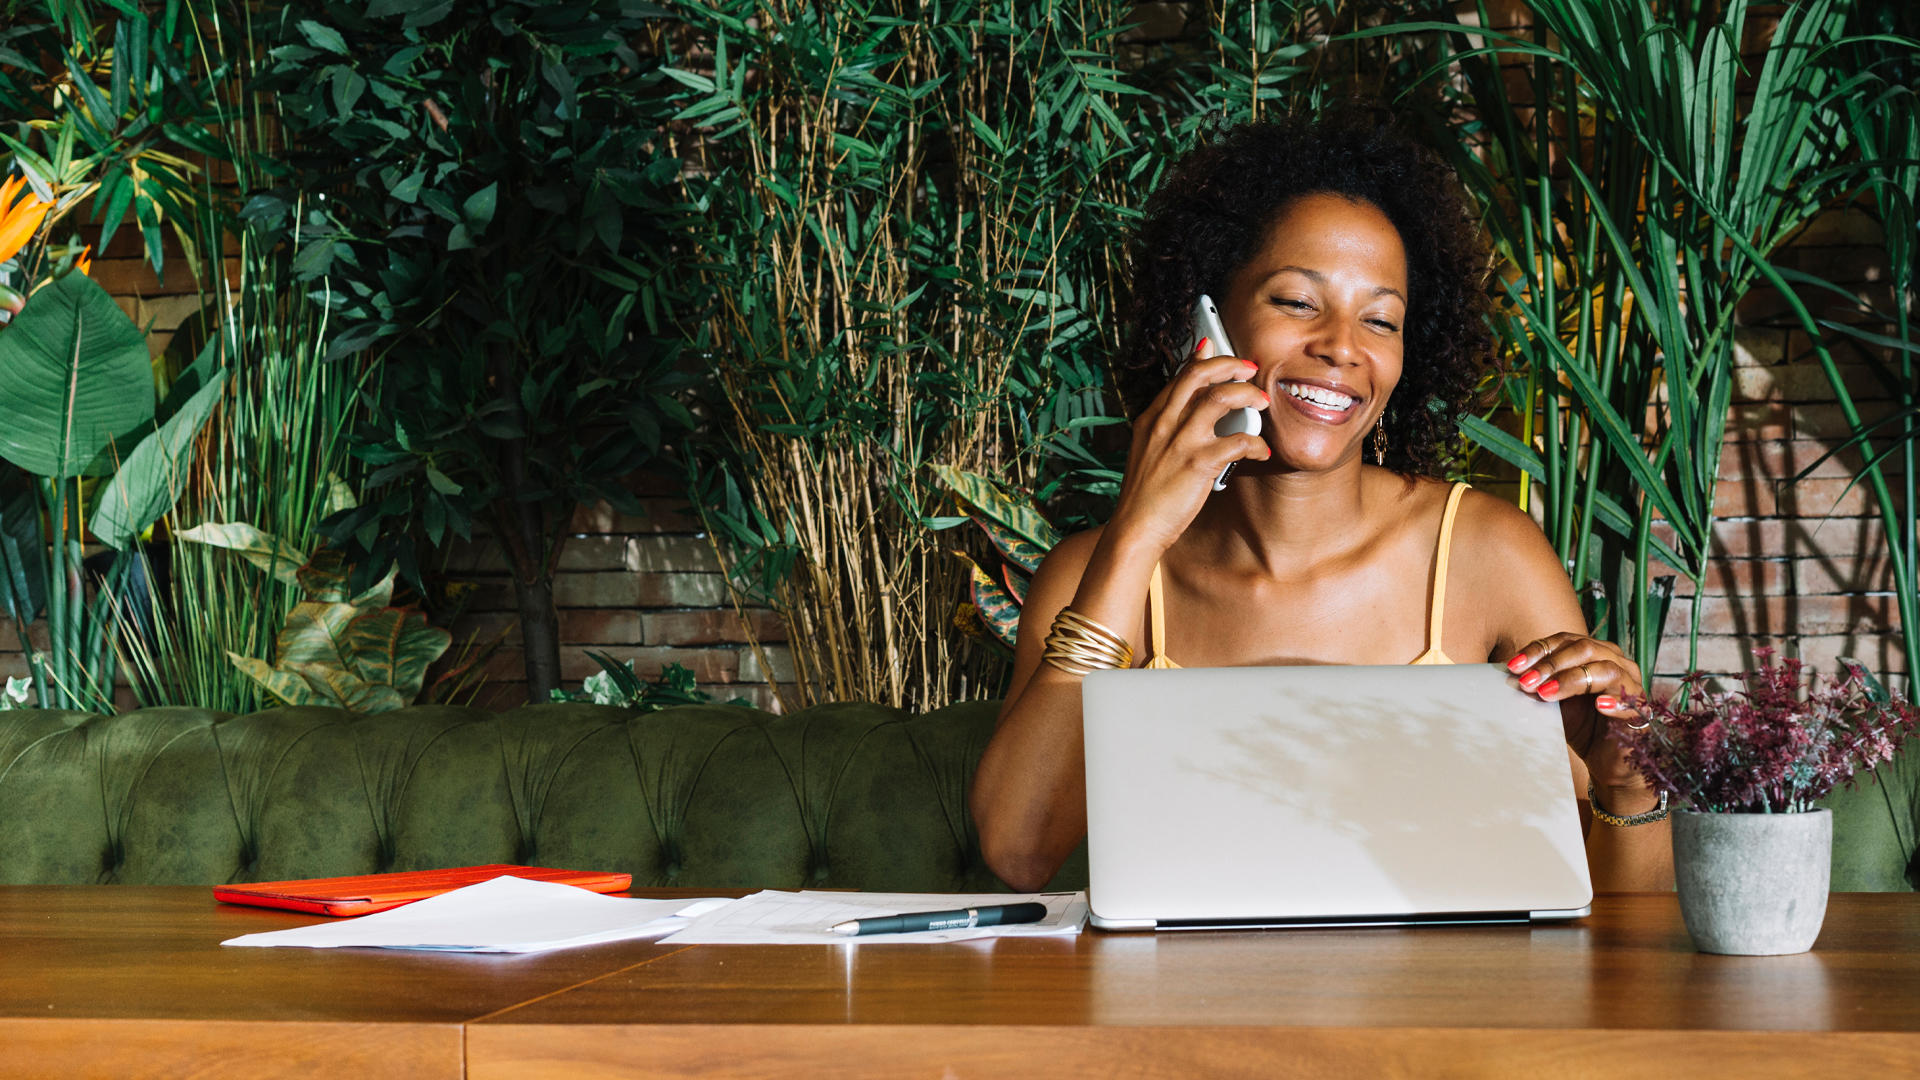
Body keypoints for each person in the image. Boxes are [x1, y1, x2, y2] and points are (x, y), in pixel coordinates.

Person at [969, 108, 1674, 895]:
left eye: (1380, 320)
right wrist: (1135, 534)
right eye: (1297, 303)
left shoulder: (1487, 555)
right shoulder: (1095, 575)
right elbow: (1019, 851)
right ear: (1208, 323)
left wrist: (1627, 783)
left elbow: (1618, 913)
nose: (1342, 345)